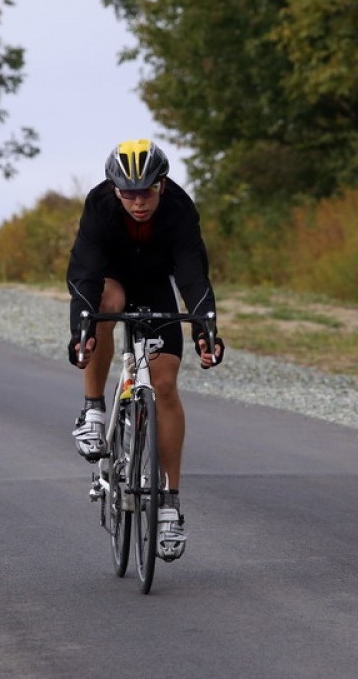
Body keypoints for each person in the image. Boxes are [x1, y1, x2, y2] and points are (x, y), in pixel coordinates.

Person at [66, 138, 224, 561]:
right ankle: (94, 407)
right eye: (129, 193)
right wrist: (81, 333)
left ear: (163, 185)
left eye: (147, 191)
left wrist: (207, 329)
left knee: (166, 386)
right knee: (105, 306)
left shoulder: (179, 210)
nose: (138, 201)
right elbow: (85, 274)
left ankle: (169, 504)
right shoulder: (99, 205)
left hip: (157, 284)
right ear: (115, 189)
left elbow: (192, 274)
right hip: (110, 279)